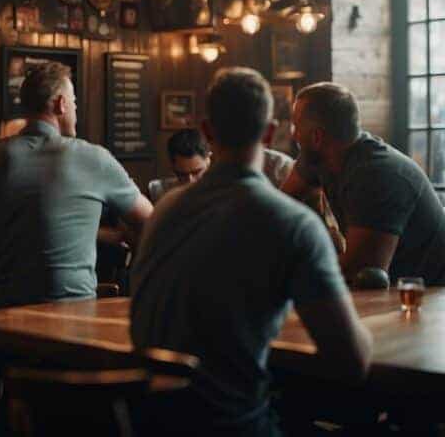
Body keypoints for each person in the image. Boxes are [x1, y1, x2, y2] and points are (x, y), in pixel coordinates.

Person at [131, 68, 372, 436]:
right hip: (236, 427)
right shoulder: (291, 223)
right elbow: (352, 362)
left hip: (152, 424)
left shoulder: (164, 210)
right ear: (271, 133)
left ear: (207, 132)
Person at [0, 61, 152, 309]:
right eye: (73, 102)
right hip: (76, 326)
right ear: (61, 104)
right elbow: (154, 222)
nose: (74, 109)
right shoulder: (94, 159)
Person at [281, 82, 445, 284]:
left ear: (317, 136)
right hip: (389, 292)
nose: (293, 134)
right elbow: (278, 206)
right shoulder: (318, 157)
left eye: (296, 126)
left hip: (429, 295)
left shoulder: (375, 175)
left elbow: (362, 272)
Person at [149, 128, 295, 202]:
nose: (190, 181)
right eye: (181, 174)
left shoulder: (279, 165)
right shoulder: (162, 192)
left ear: (209, 159)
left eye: (197, 172)